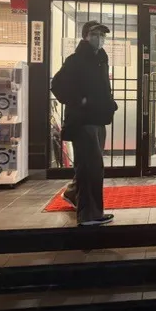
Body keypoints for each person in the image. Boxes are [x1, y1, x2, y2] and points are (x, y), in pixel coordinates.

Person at [51, 20, 117, 226]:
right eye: (95, 34)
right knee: (91, 166)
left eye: (103, 35)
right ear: (85, 36)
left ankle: (72, 193)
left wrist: (108, 104)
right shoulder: (76, 60)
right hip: (83, 120)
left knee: (89, 164)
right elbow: (57, 85)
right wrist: (81, 101)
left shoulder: (100, 60)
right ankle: (89, 215)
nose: (100, 39)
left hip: (98, 118)